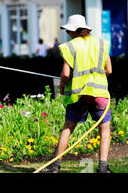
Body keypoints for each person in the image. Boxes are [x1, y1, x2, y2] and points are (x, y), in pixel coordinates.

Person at [42, 14, 113, 173]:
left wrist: (61, 87)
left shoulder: (71, 46)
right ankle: (103, 167)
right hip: (100, 93)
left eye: (68, 31)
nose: (68, 34)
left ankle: (55, 166)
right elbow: (109, 70)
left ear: (74, 31)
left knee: (68, 127)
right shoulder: (101, 44)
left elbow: (66, 74)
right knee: (105, 129)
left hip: (79, 95)